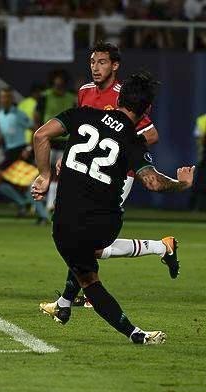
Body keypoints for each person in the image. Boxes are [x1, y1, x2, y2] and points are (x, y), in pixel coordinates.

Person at [31, 71, 194, 344]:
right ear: (147, 110)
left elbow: (40, 136)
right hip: (102, 225)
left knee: (89, 279)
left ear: (118, 99)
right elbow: (153, 182)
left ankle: (110, 322)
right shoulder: (132, 140)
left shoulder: (82, 114)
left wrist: (45, 176)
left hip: (62, 226)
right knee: (92, 255)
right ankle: (158, 253)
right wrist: (182, 184)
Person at [41, 42, 178, 316]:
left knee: (88, 240)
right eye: (92, 62)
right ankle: (161, 248)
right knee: (83, 236)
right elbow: (82, 130)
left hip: (118, 175)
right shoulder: (85, 91)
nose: (95, 67)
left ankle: (68, 301)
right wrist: (69, 156)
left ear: (115, 66)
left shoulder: (123, 96)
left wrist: (122, 149)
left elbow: (151, 135)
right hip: (90, 172)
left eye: (102, 62)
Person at [0, 87, 49, 223]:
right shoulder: (0, 115)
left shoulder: (19, 114)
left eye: (7, 97)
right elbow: (2, 136)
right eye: (3, 97)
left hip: (20, 151)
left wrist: (29, 148)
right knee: (14, 184)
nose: (5, 99)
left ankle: (40, 214)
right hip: (10, 152)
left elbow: (35, 130)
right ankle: (25, 204)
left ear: (12, 99)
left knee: (23, 184)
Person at [34, 70, 76, 212]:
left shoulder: (72, 98)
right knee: (44, 172)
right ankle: (39, 204)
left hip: (65, 142)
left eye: (61, 82)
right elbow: (37, 117)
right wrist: (37, 137)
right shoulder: (45, 97)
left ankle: (51, 204)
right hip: (48, 141)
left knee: (59, 174)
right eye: (56, 82)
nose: (58, 84)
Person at [191, 112, 206, 210]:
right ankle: (195, 208)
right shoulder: (202, 120)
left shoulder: (202, 120)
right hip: (205, 157)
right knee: (200, 183)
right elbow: (199, 139)